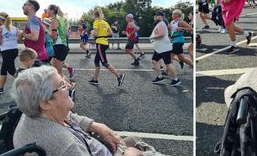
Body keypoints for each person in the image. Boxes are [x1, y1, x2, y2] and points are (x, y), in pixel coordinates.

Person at [11, 66, 160, 156]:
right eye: (62, 85)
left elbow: (69, 116)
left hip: (95, 147)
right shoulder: (64, 144)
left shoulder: (34, 113)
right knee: (135, 147)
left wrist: (98, 126)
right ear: (45, 103)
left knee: (132, 140)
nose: (69, 86)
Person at [89, 8, 125, 87]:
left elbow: (95, 34)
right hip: (105, 43)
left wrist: (92, 33)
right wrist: (103, 33)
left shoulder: (96, 22)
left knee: (104, 63)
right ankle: (95, 80)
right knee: (96, 61)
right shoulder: (105, 22)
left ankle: (119, 76)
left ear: (95, 15)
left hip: (100, 43)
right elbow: (111, 33)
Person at [150, 11, 181, 86]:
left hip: (164, 47)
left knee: (168, 63)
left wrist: (152, 37)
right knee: (154, 61)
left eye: (156, 15)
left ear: (160, 16)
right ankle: (159, 77)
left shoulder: (161, 23)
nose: (155, 17)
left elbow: (161, 34)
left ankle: (176, 80)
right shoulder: (161, 23)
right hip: (160, 48)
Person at [48, 5, 75, 78]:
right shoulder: (61, 20)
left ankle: (69, 86)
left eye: (48, 9)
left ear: (52, 11)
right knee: (54, 71)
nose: (47, 11)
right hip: (62, 46)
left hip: (59, 46)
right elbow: (66, 34)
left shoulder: (54, 20)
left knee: (58, 73)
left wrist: (46, 32)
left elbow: (54, 37)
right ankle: (63, 86)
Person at [0, 12, 21, 94]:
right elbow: (20, 35)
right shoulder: (14, 28)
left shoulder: (0, 28)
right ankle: (0, 88)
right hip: (14, 50)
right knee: (4, 69)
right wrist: (15, 40)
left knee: (11, 70)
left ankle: (27, 82)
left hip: (6, 51)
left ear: (0, 19)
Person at [20, 0, 49, 64]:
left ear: (31, 7)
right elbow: (42, 39)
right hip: (38, 56)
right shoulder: (36, 19)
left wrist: (22, 34)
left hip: (35, 58)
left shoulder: (33, 19)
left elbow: (34, 37)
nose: (22, 7)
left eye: (24, 5)